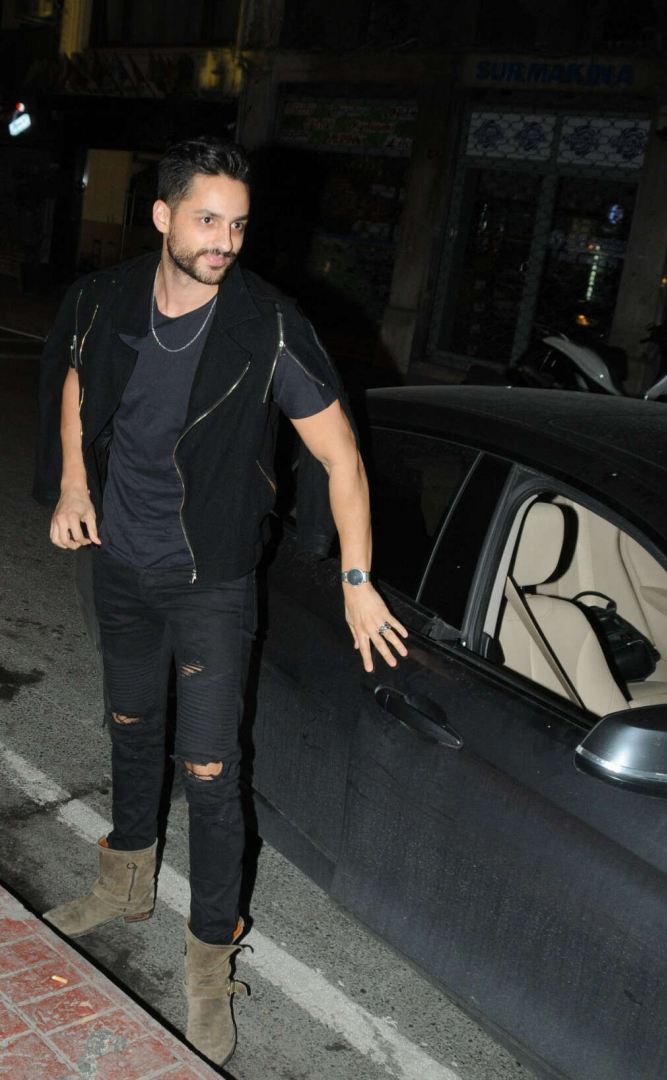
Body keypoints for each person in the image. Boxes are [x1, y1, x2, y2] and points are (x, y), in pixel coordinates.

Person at [33, 135, 407, 1067]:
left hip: (212, 579)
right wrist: (75, 483)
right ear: (162, 216)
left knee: (209, 771)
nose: (223, 242)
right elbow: (77, 374)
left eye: (237, 226)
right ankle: (125, 882)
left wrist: (358, 582)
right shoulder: (106, 297)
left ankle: (208, 961)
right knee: (129, 724)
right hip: (121, 562)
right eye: (207, 220)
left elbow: (342, 458)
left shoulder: (265, 326)